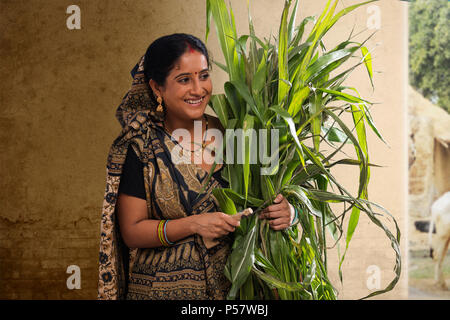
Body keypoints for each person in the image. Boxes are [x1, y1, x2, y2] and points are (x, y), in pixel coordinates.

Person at [98, 33, 295, 300]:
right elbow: (132, 231)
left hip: (235, 290)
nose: (198, 89)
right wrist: (193, 224)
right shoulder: (141, 148)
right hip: (161, 291)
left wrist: (287, 212)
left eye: (203, 76)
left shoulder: (237, 134)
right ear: (157, 88)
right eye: (184, 80)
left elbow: (268, 201)